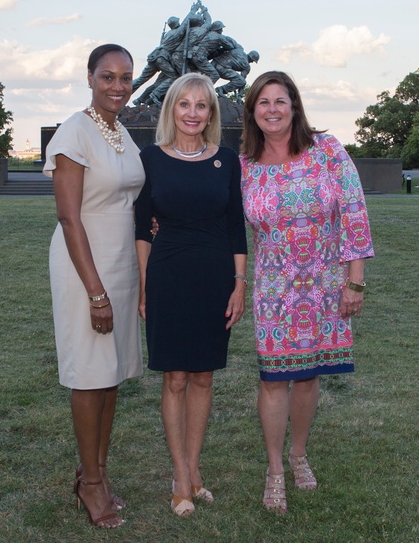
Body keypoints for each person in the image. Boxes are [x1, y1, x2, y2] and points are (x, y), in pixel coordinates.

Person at [239, 70, 374, 514]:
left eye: (281, 101)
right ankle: (275, 469)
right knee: (274, 377)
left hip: (324, 283)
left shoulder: (328, 150)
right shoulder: (245, 165)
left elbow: (354, 211)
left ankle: (299, 454)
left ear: (294, 106)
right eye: (264, 102)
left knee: (308, 374)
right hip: (275, 288)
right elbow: (214, 215)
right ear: (252, 111)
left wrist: (355, 280)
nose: (273, 109)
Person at [134, 72, 248, 517]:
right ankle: (179, 475)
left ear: (211, 114)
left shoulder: (226, 160)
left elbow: (236, 225)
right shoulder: (150, 160)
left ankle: (195, 471)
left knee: (203, 376)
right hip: (166, 275)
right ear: (172, 109)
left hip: (215, 275)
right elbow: (142, 228)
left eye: (202, 106)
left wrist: (240, 283)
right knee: (175, 377)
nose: (193, 113)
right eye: (185, 104)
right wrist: (144, 284)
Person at [44, 43, 145, 529]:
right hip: (85, 266)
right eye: (108, 76)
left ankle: (97, 472)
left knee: (111, 374)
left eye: (126, 77)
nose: (118, 86)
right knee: (89, 373)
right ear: (89, 78)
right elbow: (68, 216)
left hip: (122, 264)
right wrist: (95, 292)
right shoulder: (75, 131)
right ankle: (88, 486)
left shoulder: (122, 132)